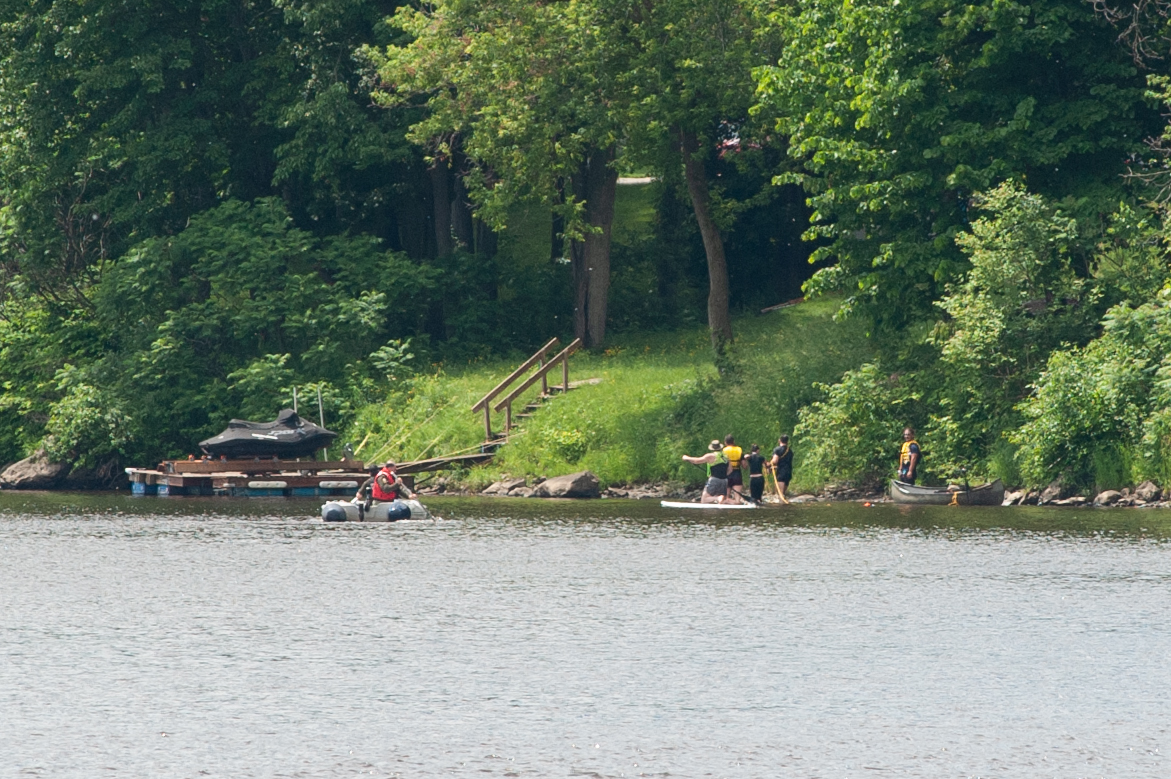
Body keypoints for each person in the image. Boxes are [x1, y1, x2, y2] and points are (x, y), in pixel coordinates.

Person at [770, 435, 793, 504]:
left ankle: (781, 507)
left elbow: (775, 461)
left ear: (779, 440)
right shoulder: (790, 451)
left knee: (780, 493)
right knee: (783, 493)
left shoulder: (777, 450)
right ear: (787, 441)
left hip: (781, 472)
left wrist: (769, 464)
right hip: (789, 472)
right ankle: (784, 505)